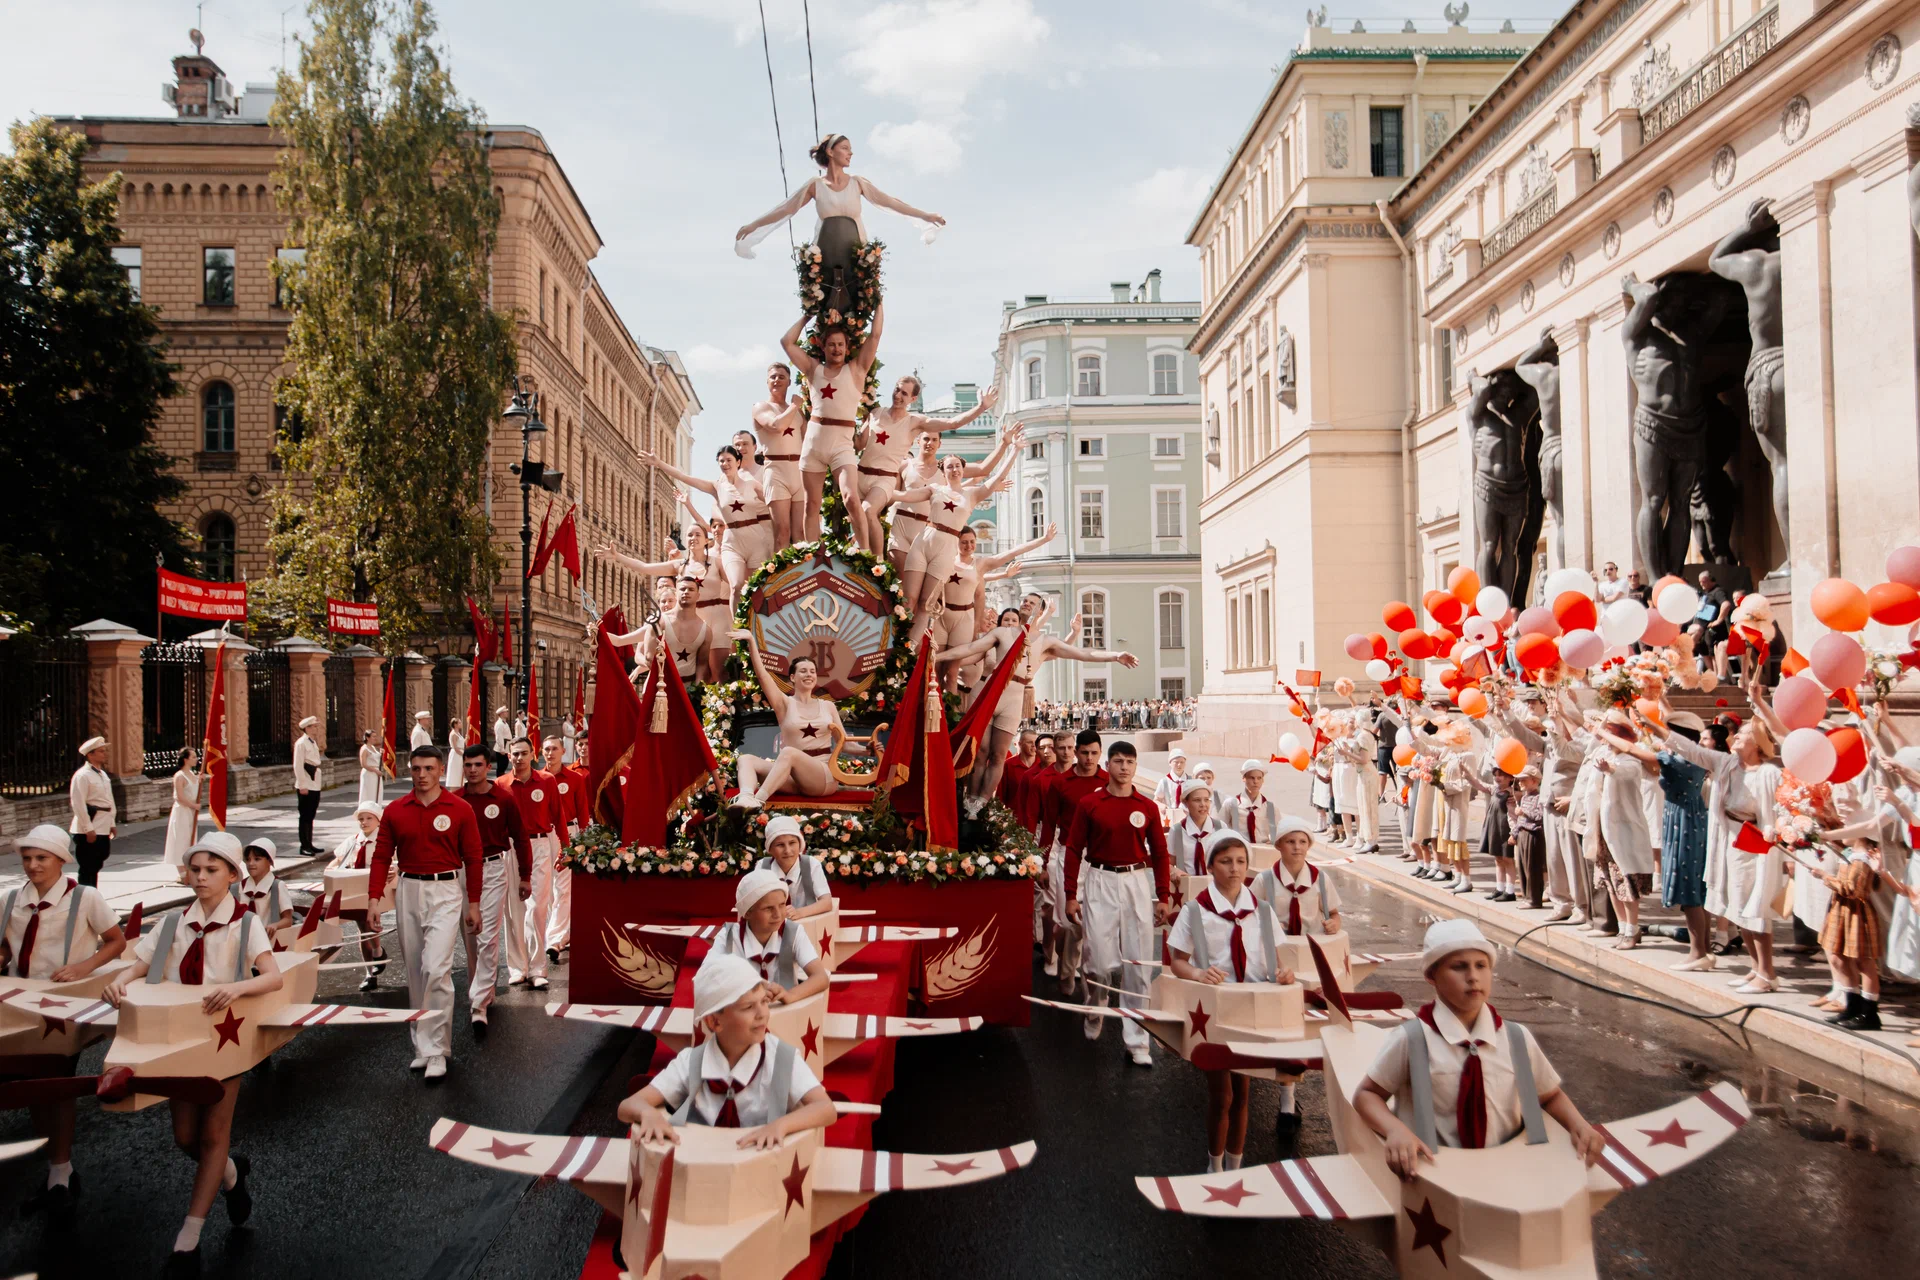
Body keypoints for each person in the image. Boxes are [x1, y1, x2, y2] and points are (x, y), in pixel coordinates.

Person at [105, 831, 283, 1276]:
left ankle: (188, 1239)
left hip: (224, 1038)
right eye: (195, 870)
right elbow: (141, 964)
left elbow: (273, 976)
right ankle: (230, 1175)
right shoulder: (173, 923)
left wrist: (237, 988)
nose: (201, 878)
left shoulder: (245, 922)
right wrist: (120, 981)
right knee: (185, 1137)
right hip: (181, 1039)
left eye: (211, 870)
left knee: (212, 1136)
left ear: (232, 876)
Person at [1352, 919, 1604, 1180]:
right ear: (1431, 976)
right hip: (1437, 1178)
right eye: (1459, 967)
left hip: (1509, 1174)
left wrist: (1579, 1124)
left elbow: (1549, 1095)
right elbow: (1367, 1095)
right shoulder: (1411, 1039)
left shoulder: (1516, 1038)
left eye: (1481, 966)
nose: (1473, 977)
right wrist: (1394, 1129)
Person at [2, 823, 126, 1222]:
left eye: (41, 858)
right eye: (27, 858)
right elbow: (6, 948)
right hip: (18, 1005)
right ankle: (59, 1170)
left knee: (57, 1086)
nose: (33, 865)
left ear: (61, 860)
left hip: (60, 1007)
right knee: (30, 1087)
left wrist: (83, 967)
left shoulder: (85, 897)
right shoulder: (10, 899)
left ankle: (59, 1175)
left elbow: (116, 941)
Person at [1166, 829, 1295, 1172]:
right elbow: (1177, 961)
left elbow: (1278, 958)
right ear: (1210, 866)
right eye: (1225, 861)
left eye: (1240, 861)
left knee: (1242, 1093)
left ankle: (1235, 1166)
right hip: (1216, 1009)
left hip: (1251, 1007)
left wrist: (1285, 973)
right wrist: (1198, 974)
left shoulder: (1261, 910)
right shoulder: (1196, 910)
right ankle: (1215, 1164)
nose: (1235, 868)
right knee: (1221, 1095)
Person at [937, 594, 1138, 815]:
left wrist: (1115, 655)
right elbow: (970, 649)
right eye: (1024, 601)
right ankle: (969, 802)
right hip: (990, 694)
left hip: (1014, 699)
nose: (1026, 604)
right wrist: (936, 657)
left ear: (1040, 612)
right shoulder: (1002, 632)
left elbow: (1082, 653)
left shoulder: (1046, 642)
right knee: (980, 752)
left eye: (1032, 603)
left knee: (998, 755)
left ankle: (980, 807)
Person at [1641, 685, 1782, 991]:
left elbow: (1772, 815)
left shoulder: (1768, 773)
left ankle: (1767, 973)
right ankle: (1755, 969)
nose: (1736, 737)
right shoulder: (1726, 763)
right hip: (1727, 839)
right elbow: (1692, 750)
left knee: (1754, 909)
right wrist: (1654, 726)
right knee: (1737, 907)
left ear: (1756, 744)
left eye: (1743, 735)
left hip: (1752, 844)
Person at [618, 953, 837, 1146]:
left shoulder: (781, 1058)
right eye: (748, 1007)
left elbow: (825, 1108)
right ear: (714, 1022)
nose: (762, 1014)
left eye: (763, 1002)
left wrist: (781, 1125)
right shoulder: (692, 1062)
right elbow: (628, 1105)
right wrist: (648, 1113)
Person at [369, 745, 483, 1081]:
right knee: (416, 972)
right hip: (408, 889)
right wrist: (374, 899)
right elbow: (381, 856)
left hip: (445, 889)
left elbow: (473, 857)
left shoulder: (460, 808)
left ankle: (437, 1050)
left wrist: (473, 903)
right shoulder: (395, 810)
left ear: (441, 770)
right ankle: (421, 1046)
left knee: (436, 968)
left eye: (429, 769)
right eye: (416, 768)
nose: (422, 775)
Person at [735, 130, 946, 311]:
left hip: (855, 256)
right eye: (845, 148)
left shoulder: (857, 182)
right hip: (826, 254)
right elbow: (786, 208)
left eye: (850, 149)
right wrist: (754, 225)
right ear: (830, 151)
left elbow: (890, 201)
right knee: (827, 302)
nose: (850, 153)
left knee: (855, 302)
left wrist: (925, 215)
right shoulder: (816, 185)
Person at [1063, 740, 1172, 1068]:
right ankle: (1096, 1006)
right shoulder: (1090, 803)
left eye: (1130, 762)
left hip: (1135, 882)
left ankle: (1137, 1040)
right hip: (1100, 880)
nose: (1124, 767)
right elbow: (1073, 849)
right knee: (1097, 961)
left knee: (1138, 964)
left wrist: (1163, 895)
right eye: (1119, 761)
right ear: (1107, 765)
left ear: (1135, 766)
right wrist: (1070, 894)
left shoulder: (1147, 806)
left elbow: (1160, 852)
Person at [851, 378, 999, 558]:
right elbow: (858, 444)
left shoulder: (915, 422)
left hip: (886, 481)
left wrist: (981, 407)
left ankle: (875, 562)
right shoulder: (876, 413)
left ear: (913, 399)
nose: (898, 396)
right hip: (862, 476)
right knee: (856, 516)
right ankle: (861, 557)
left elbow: (952, 423)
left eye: (904, 393)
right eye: (897, 390)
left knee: (867, 510)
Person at [781, 302, 888, 542]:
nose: (836, 349)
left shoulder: (857, 369)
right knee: (812, 504)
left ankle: (865, 553)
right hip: (814, 444)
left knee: (851, 497)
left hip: (842, 445)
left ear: (847, 347)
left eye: (840, 344)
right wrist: (807, 317)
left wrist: (878, 302)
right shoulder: (813, 369)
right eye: (831, 344)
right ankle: (813, 553)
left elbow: (875, 335)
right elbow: (787, 343)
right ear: (823, 346)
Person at [892, 451, 1017, 648]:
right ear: (943, 472)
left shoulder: (972, 494)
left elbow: (998, 476)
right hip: (923, 542)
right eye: (949, 466)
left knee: (926, 604)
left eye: (957, 465)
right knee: (908, 600)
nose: (954, 469)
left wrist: (1014, 449)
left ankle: (908, 649)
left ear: (963, 470)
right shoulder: (935, 489)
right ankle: (892, 642)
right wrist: (878, 488)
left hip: (946, 548)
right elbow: (904, 495)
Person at [730, 631, 863, 808]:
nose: (809, 675)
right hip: (793, 779)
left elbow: (845, 744)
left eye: (812, 671)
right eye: (803, 671)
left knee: (788, 753)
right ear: (792, 677)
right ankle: (745, 798)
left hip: (823, 776)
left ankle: (758, 801)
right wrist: (752, 641)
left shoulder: (828, 706)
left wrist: (869, 750)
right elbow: (763, 676)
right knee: (745, 759)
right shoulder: (784, 704)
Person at [455, 743, 530, 1037]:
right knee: (470, 936)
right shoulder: (455, 800)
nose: (472, 770)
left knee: (487, 935)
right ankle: (482, 990)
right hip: (461, 871)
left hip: (494, 868)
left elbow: (520, 838)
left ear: (488, 767)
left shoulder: (503, 798)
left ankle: (478, 1004)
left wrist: (525, 876)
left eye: (478, 765)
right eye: (468, 765)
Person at [640, 446, 774, 609]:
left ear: (738, 462)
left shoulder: (752, 484)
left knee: (758, 587)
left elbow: (775, 502)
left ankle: (759, 621)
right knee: (736, 586)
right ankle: (740, 623)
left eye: (729, 460)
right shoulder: (716, 487)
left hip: (755, 539)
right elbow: (685, 477)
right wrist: (659, 463)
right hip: (733, 541)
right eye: (721, 461)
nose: (725, 464)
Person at [707, 869, 831, 1003]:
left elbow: (821, 977)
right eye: (768, 908)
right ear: (747, 913)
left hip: (786, 1012)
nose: (778, 915)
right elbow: (706, 979)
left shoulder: (793, 932)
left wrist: (789, 995)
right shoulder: (728, 937)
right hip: (743, 1012)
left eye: (782, 905)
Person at [504, 737, 562, 990]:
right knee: (514, 910)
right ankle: (518, 967)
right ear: (509, 756)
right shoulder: (501, 784)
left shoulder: (547, 781)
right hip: (511, 848)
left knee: (537, 907)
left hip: (539, 845)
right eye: (515, 754)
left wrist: (565, 849)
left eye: (524, 753)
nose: (519, 758)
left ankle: (538, 968)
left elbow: (558, 816)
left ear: (532, 755)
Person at [327, 801, 390, 992]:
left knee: (369, 923)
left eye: (369, 818)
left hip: (377, 890)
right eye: (361, 819)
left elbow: (396, 861)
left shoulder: (385, 841)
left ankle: (378, 952)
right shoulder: (353, 841)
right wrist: (331, 870)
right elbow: (337, 861)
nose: (364, 822)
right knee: (362, 929)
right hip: (355, 888)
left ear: (379, 820)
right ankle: (370, 972)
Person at [1253, 816, 1343, 937]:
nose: (1297, 847)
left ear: (1308, 845)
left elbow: (1333, 913)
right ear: (1278, 845)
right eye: (1290, 842)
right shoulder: (1264, 880)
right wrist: (1266, 925)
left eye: (1303, 842)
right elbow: (1249, 915)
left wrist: (1335, 924)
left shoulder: (1321, 879)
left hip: (1313, 944)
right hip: (1279, 945)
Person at [750, 363, 808, 549]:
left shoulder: (797, 411)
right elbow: (776, 426)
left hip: (798, 471)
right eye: (773, 377)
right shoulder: (761, 407)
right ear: (767, 381)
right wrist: (795, 405)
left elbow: (808, 440)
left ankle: (804, 568)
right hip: (776, 471)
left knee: (801, 534)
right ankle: (781, 569)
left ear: (789, 382)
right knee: (782, 533)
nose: (777, 380)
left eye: (781, 377)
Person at [539, 735, 578, 960]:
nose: (550, 753)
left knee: (563, 887)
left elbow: (583, 812)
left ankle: (554, 939)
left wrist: (580, 843)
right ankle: (559, 932)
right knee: (546, 888)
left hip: (569, 833)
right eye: (546, 749)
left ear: (563, 751)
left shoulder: (574, 778)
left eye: (554, 748)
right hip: (543, 836)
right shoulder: (537, 779)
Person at [754, 815, 833, 919]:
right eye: (780, 845)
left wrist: (799, 913)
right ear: (770, 849)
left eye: (792, 843)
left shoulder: (811, 864)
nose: (787, 851)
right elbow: (755, 904)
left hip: (807, 922)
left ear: (800, 844)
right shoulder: (763, 867)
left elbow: (827, 902)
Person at [68, 735, 116, 887]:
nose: (104, 754)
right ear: (90, 754)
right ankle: (85, 895)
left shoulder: (102, 774)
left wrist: (112, 823)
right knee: (87, 866)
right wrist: (88, 828)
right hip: (89, 826)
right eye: (101, 751)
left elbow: (109, 800)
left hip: (103, 824)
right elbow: (78, 803)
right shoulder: (82, 775)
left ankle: (92, 893)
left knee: (98, 862)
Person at [237, 837, 294, 934]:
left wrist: (275, 925)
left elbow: (288, 920)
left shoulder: (277, 886)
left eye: (257, 859)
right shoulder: (239, 887)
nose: (251, 863)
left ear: (269, 861)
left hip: (268, 939)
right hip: (243, 939)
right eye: (248, 859)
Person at [163, 747, 202, 885]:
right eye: (193, 757)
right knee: (181, 840)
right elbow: (179, 797)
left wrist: (200, 780)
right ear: (185, 759)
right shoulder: (179, 776)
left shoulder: (193, 774)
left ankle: (189, 869)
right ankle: (182, 873)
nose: (196, 759)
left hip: (191, 812)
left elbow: (195, 790)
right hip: (182, 811)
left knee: (190, 839)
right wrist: (193, 805)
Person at [1219, 760, 1281, 846]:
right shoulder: (1231, 804)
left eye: (1259, 778)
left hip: (1263, 849)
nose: (1256, 781)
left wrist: (1275, 840)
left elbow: (1280, 832)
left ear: (1263, 780)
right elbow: (1220, 829)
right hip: (1239, 849)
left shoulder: (1270, 807)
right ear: (1244, 778)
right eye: (1252, 778)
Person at [1169, 781, 1223, 878]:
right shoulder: (1177, 831)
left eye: (1206, 800)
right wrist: (1173, 870)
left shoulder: (1220, 827)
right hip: (1188, 884)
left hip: (1216, 884)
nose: (1203, 804)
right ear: (1186, 803)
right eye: (1197, 800)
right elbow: (1169, 863)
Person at [293, 716, 324, 855]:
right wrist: (302, 785)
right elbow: (298, 765)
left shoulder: (312, 742)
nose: (316, 729)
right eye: (314, 726)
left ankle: (309, 843)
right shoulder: (301, 743)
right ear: (307, 728)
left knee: (311, 815)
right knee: (305, 816)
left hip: (314, 782)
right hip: (306, 782)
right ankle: (304, 846)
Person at [1154, 748, 1193, 818]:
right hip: (1170, 816)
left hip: (1187, 816)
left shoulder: (1191, 781)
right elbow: (1156, 800)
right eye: (1176, 762)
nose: (1179, 765)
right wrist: (1161, 805)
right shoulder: (1164, 782)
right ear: (1170, 763)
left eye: (1182, 762)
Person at [357, 730, 384, 805]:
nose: (375, 738)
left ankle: (376, 808)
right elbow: (363, 764)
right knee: (369, 793)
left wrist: (381, 753)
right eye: (373, 736)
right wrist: (375, 771)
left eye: (376, 736)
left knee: (377, 793)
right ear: (367, 738)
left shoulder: (373, 747)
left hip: (376, 773)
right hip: (369, 773)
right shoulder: (364, 749)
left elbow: (376, 759)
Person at [491, 707, 512, 773]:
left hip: (506, 744)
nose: (507, 713)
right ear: (501, 713)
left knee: (505, 763)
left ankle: (501, 776)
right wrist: (502, 748)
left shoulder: (504, 723)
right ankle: (499, 777)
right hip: (503, 745)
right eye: (506, 712)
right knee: (502, 765)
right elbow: (499, 737)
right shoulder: (499, 724)